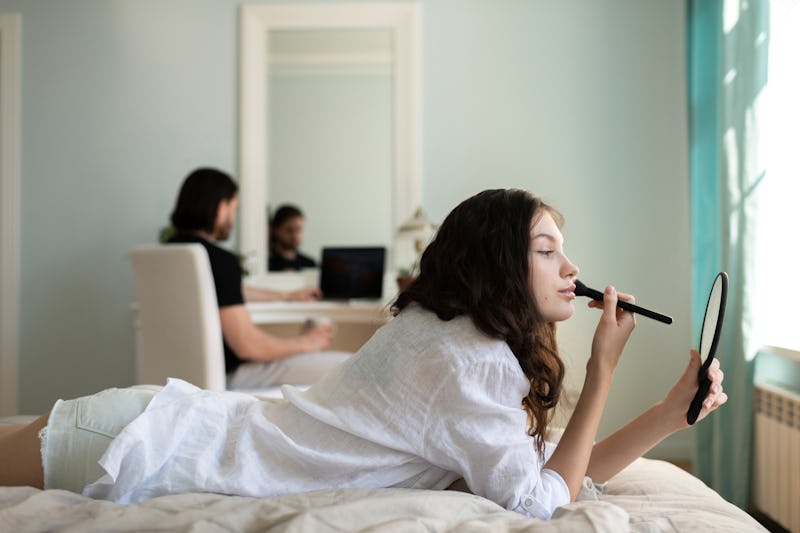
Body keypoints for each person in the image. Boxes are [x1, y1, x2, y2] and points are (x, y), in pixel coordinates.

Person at [0, 189, 727, 519]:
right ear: (501, 263)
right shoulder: (465, 359)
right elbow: (544, 500)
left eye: (566, 250)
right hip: (149, 445)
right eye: (547, 250)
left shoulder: (457, 337)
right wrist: (602, 369)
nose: (573, 268)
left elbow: (554, 474)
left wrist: (668, 412)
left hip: (163, 424)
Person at [167, 167, 348, 388]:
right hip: (230, 377)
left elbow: (227, 289)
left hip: (179, 378)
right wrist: (307, 342)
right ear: (222, 207)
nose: (232, 220)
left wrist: (286, 296)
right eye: (234, 209)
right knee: (347, 368)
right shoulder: (219, 260)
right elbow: (248, 344)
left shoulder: (172, 254)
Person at [268, 204, 317, 271]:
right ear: (276, 230)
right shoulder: (266, 264)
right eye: (289, 230)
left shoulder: (310, 264)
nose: (295, 236)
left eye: (299, 230)